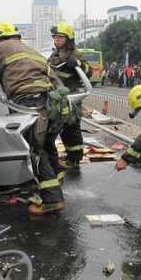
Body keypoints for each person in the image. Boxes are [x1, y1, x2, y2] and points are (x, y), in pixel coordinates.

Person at [0, 22, 66, 215]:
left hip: (29, 103)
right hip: (51, 105)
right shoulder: (32, 51)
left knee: (34, 150)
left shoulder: (1, 49)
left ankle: (52, 199)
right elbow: (57, 82)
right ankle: (52, 184)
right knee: (47, 146)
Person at [48, 22, 92, 171]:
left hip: (71, 98)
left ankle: (74, 159)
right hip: (55, 99)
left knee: (71, 130)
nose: (56, 40)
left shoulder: (75, 54)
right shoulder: (53, 55)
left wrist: (78, 63)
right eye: (55, 37)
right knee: (52, 128)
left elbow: (89, 71)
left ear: (68, 38)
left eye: (60, 37)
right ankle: (51, 158)